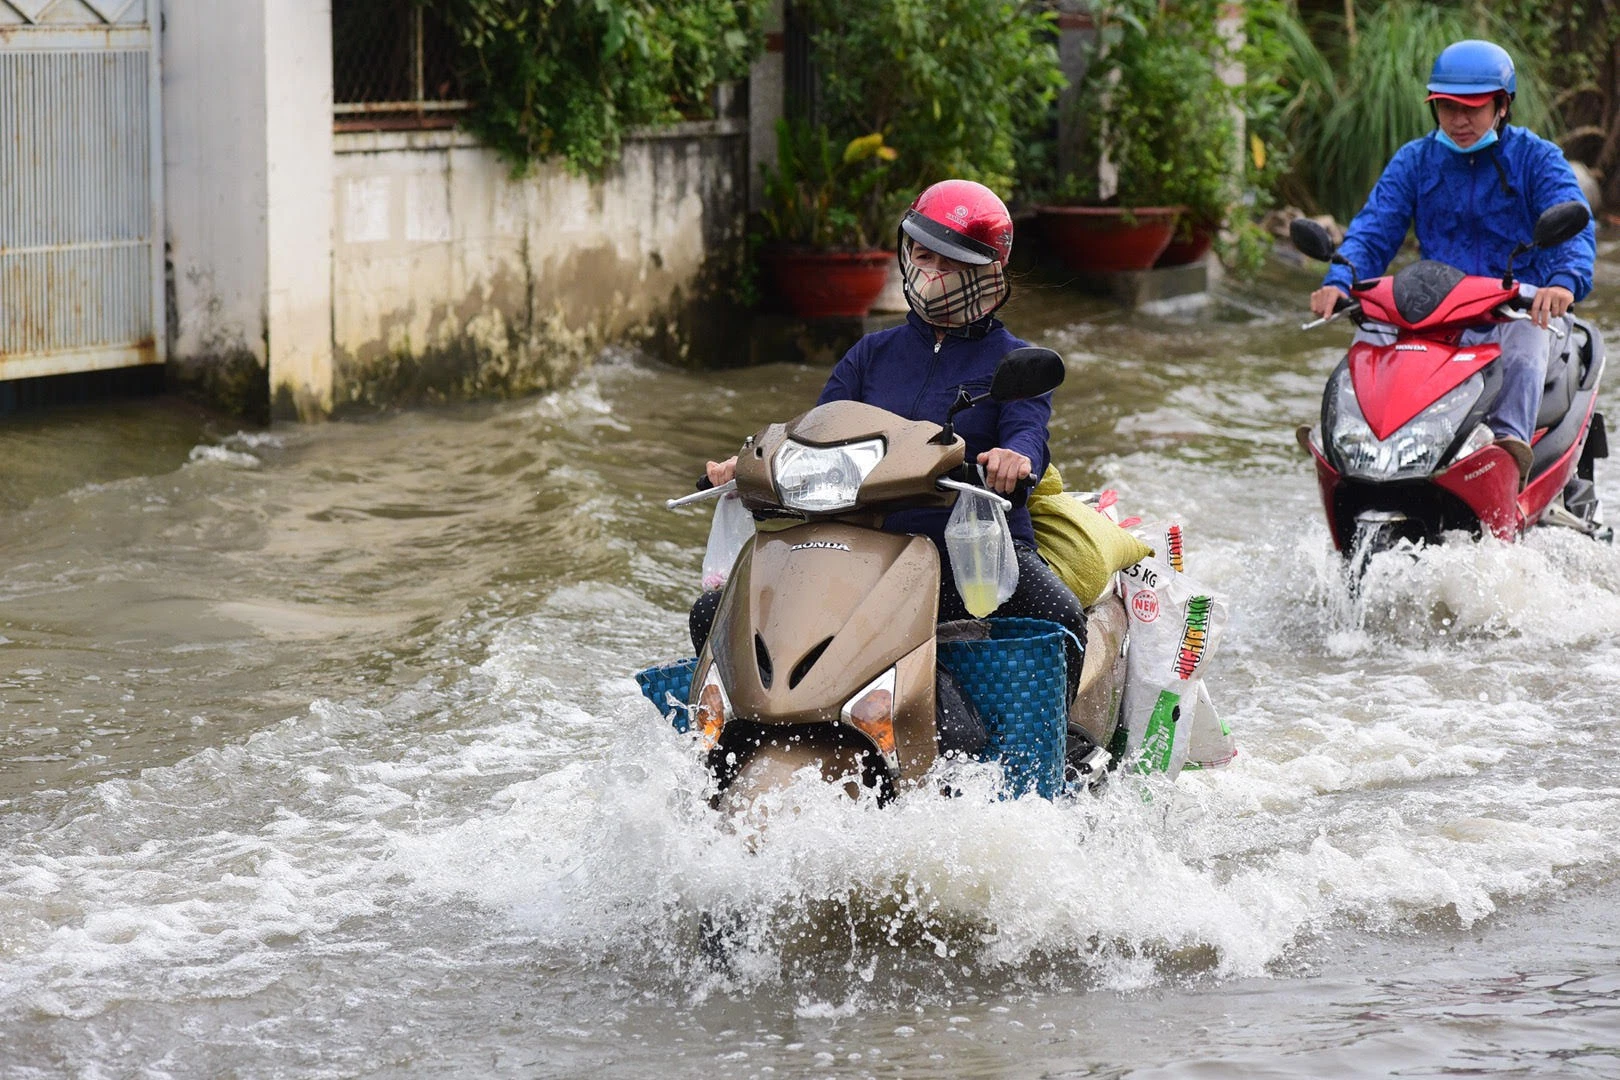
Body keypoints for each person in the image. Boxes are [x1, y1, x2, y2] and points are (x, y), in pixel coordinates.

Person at [691, 178, 1089, 705]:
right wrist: (748, 467)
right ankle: (718, 729)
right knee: (713, 613)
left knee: (1060, 615)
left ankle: (1062, 742)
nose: (933, 273)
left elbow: (1027, 430)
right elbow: (816, 433)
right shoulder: (869, 354)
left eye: (952, 264)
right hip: (860, 553)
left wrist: (1013, 459)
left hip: (969, 557)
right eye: (924, 256)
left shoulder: (1014, 361)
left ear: (988, 273)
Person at [1308, 39, 1596, 489]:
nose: (1458, 120)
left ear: (1502, 106)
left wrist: (1562, 281)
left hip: (1520, 307)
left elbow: (1572, 222)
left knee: (1524, 349)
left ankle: (1507, 454)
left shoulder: (1537, 158)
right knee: (1369, 338)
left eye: (1472, 109)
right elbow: (1373, 229)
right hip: (1435, 310)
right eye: (1447, 107)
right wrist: (1340, 279)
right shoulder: (1415, 161)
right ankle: (1350, 444)